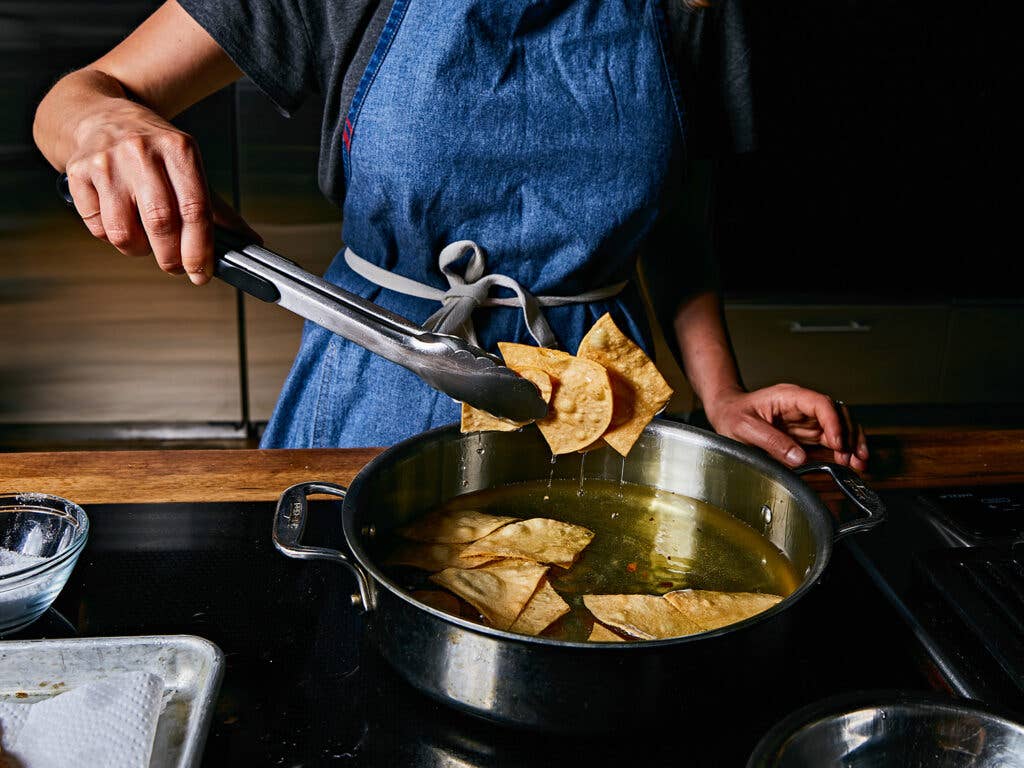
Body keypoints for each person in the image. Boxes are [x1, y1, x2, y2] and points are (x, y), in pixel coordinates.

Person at [33, 0, 868, 471]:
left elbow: (677, 219)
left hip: (602, 403)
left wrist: (722, 395)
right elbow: (78, 94)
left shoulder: (692, 8)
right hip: (383, 378)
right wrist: (102, 121)